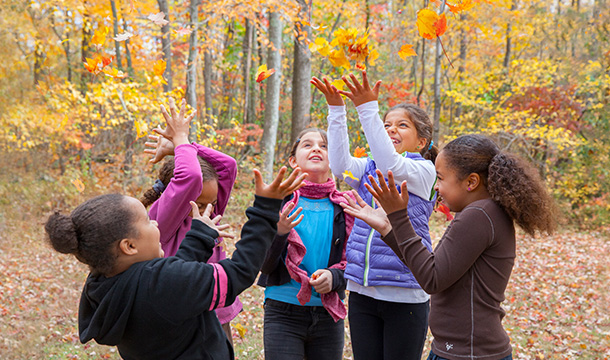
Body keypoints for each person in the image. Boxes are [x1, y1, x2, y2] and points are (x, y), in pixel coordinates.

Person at [44, 164, 307, 360]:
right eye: (147, 221)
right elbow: (239, 272)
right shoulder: (164, 284)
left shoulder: (102, 283)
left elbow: (169, 281)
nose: (155, 222)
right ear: (129, 246)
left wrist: (200, 235)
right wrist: (265, 209)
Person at [341, 134, 557, 360]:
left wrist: (399, 216)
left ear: (471, 182)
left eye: (441, 179)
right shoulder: (483, 213)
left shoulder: (479, 215)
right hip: (460, 350)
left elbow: (431, 279)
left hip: (469, 354)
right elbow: (432, 268)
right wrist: (388, 227)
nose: (437, 189)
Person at [311, 71, 437, 360]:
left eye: (402, 126)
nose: (391, 129)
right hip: (362, 291)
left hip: (404, 292)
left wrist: (368, 108)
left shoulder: (424, 172)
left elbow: (390, 163)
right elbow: (340, 165)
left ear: (421, 142)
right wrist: (336, 110)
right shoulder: (369, 167)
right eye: (387, 125)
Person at [140, 98, 241, 343]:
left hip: (216, 309)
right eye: (200, 203)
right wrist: (180, 139)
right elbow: (191, 177)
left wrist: (182, 147)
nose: (208, 210)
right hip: (180, 316)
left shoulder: (210, 213)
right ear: (175, 197)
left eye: (212, 203)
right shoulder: (162, 221)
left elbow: (228, 166)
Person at [257, 128, 356, 360]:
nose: (316, 149)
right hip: (283, 311)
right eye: (308, 144)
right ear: (293, 160)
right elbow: (263, 263)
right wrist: (280, 231)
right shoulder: (276, 201)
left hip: (328, 313)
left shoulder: (347, 207)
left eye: (324, 145)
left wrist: (335, 278)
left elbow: (357, 261)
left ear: (335, 159)